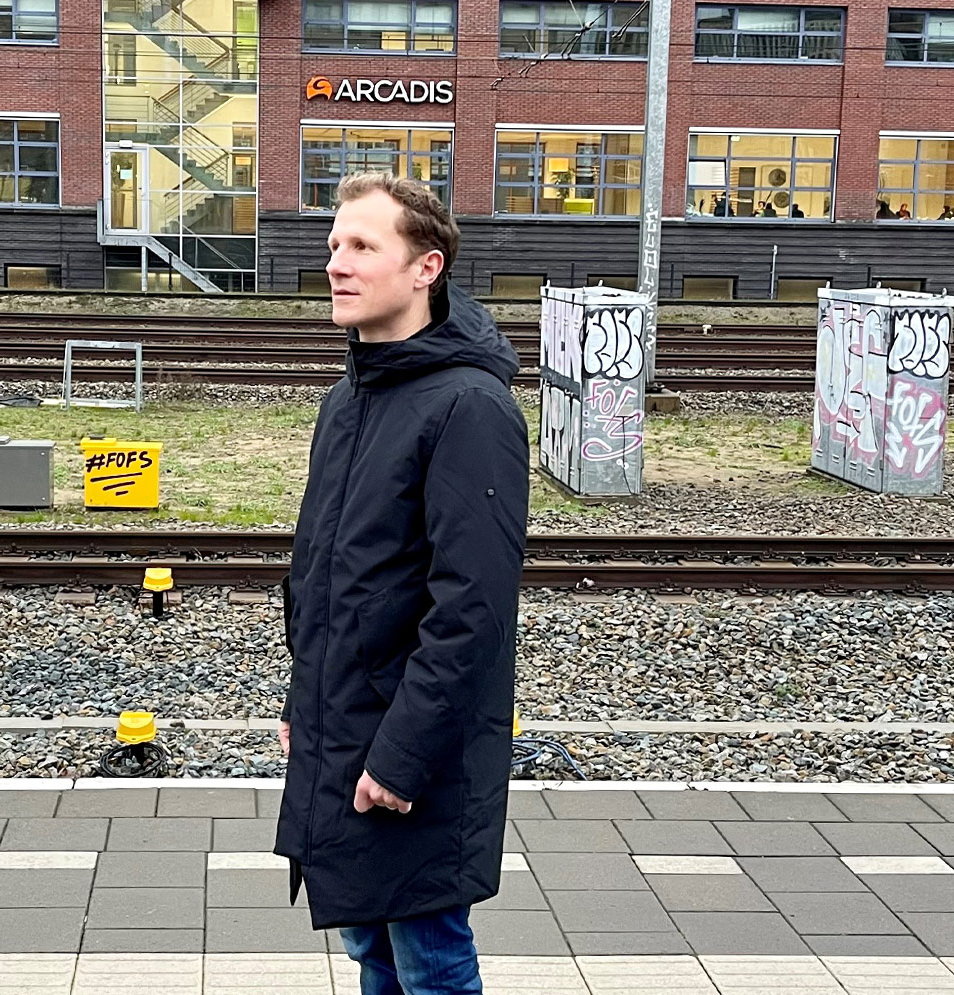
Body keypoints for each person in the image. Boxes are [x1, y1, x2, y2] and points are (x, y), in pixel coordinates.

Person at [275, 170, 528, 995]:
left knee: (428, 956)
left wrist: (402, 756)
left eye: (361, 246)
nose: (337, 265)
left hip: (413, 747)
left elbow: (472, 608)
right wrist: (300, 707)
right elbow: (322, 577)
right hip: (347, 726)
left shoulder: (469, 408)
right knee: (369, 949)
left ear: (426, 268)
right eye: (333, 247)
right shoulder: (347, 401)